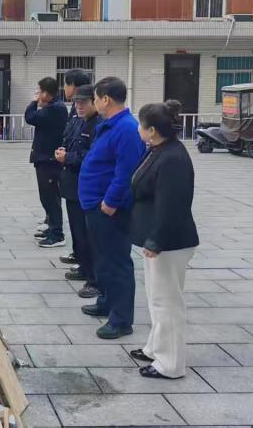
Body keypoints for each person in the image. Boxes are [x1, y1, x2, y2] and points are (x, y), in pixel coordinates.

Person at [129, 100, 199, 379]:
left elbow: (172, 205)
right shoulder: (159, 149)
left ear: (152, 130)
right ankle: (156, 348)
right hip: (156, 238)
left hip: (170, 243)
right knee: (156, 297)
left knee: (167, 302)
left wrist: (156, 240)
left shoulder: (172, 158)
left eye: (141, 124)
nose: (138, 128)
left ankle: (170, 364)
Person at [78, 77, 145, 340]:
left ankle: (121, 319)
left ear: (105, 99)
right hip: (94, 206)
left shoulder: (126, 129)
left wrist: (110, 202)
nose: (94, 103)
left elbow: (126, 172)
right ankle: (106, 300)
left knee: (117, 262)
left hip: (109, 210)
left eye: (95, 98)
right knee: (103, 259)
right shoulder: (109, 125)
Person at [54, 84, 101, 298]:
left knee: (88, 235)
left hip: (87, 187)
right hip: (72, 184)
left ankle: (94, 279)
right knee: (77, 232)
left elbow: (92, 158)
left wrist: (69, 157)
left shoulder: (98, 125)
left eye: (84, 103)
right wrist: (63, 152)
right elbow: (69, 142)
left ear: (95, 102)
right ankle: (83, 266)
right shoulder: (77, 121)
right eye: (77, 103)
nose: (79, 106)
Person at [25, 77, 68, 248]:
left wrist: (34, 102)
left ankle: (57, 234)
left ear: (45, 93)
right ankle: (51, 226)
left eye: (39, 91)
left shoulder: (55, 108)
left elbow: (30, 117)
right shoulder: (53, 106)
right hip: (45, 158)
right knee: (47, 195)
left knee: (50, 196)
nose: (37, 94)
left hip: (49, 159)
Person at [56, 69, 93, 266]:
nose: (79, 106)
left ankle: (85, 265)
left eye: (66, 84)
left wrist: (68, 157)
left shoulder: (95, 122)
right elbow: (71, 137)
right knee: (76, 224)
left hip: (81, 180)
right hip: (71, 177)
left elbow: (90, 153)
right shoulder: (76, 112)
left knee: (83, 226)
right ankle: (79, 256)